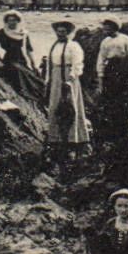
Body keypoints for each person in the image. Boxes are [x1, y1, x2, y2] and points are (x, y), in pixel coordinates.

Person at [44, 20, 89, 165]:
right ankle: (55, 139)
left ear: (68, 33)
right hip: (56, 77)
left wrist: (71, 78)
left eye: (64, 31)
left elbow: (78, 63)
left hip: (69, 77)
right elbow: (50, 64)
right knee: (55, 107)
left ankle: (74, 140)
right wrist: (48, 80)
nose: (61, 33)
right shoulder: (54, 46)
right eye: (59, 31)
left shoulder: (74, 46)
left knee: (72, 107)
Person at [94, 19, 128, 147]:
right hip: (111, 70)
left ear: (115, 27)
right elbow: (101, 59)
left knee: (124, 99)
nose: (106, 30)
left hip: (123, 68)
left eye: (109, 27)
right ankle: (113, 132)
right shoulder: (105, 42)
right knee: (111, 100)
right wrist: (101, 79)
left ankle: (126, 130)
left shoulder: (125, 39)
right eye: (105, 27)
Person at [0, 11, 43, 100]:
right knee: (17, 71)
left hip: (21, 58)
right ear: (6, 21)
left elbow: (28, 50)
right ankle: (23, 92)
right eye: (9, 20)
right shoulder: (2, 32)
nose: (12, 22)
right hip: (9, 59)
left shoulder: (23, 33)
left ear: (18, 21)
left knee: (31, 75)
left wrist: (33, 64)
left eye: (14, 20)